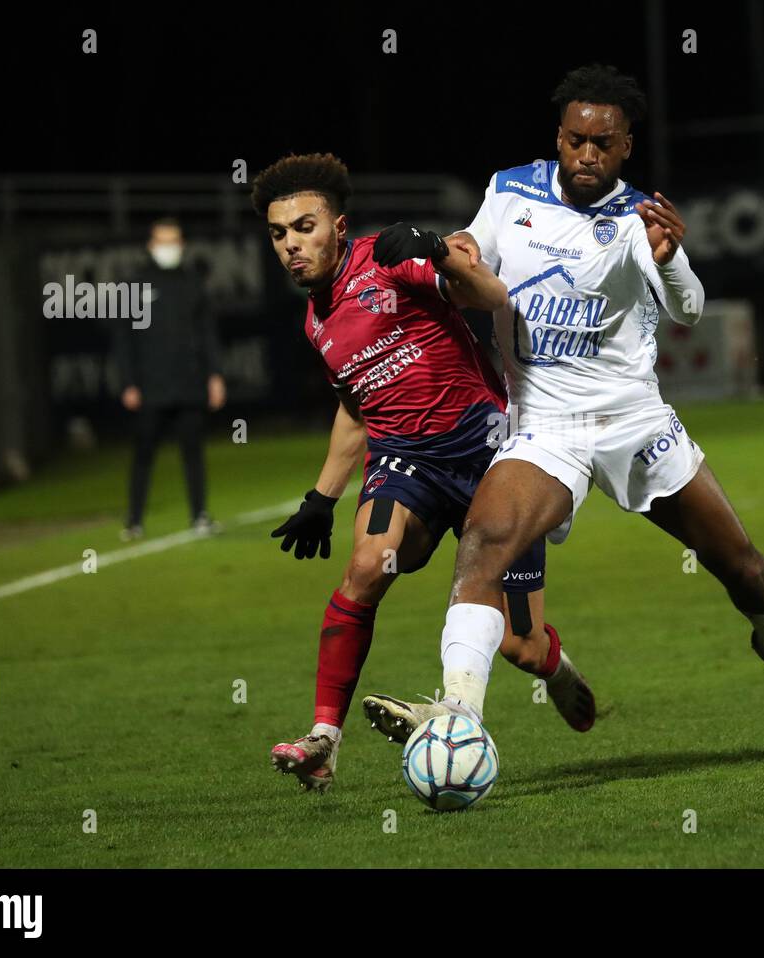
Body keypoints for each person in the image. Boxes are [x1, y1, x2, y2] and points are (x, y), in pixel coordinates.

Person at [363, 64, 764, 744]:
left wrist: (670, 258)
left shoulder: (640, 218)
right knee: (484, 542)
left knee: (744, 566)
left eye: (603, 143)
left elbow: (690, 308)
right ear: (559, 136)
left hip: (634, 421)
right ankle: (459, 715)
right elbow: (471, 265)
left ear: (626, 147)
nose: (588, 153)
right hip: (547, 428)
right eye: (576, 139)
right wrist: (434, 250)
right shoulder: (510, 192)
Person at [251, 153, 595, 792]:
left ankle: (555, 666)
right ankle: (325, 736)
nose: (292, 245)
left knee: (518, 644)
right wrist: (321, 497)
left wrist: (437, 251)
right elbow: (358, 409)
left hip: (491, 455)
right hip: (407, 462)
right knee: (365, 566)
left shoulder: (387, 259)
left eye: (304, 227)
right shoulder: (315, 322)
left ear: (340, 226)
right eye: (279, 234)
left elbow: (493, 295)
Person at [114, 218, 226, 540]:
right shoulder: (134, 285)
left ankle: (199, 515)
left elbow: (207, 334)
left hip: (189, 384)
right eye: (163, 242)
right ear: (151, 246)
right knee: (143, 454)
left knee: (193, 452)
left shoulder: (193, 283)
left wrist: (215, 375)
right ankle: (134, 520)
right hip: (150, 387)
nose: (169, 248)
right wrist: (128, 383)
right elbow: (124, 341)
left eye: (174, 241)